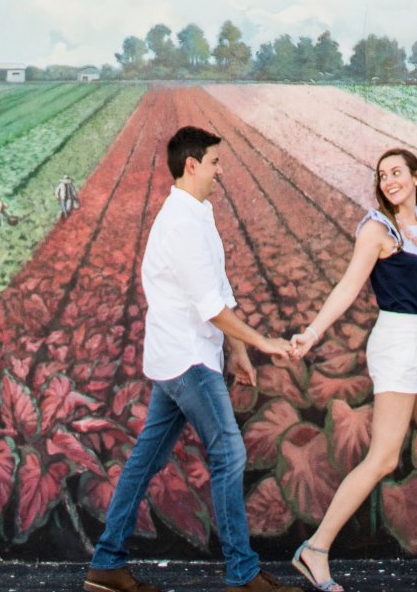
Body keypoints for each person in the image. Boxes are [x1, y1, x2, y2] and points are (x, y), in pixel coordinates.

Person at [84, 126, 301, 592]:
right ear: (192, 165)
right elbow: (210, 307)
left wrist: (237, 349)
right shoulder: (180, 223)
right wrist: (263, 342)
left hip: (180, 357)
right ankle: (243, 574)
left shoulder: (197, 213)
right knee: (229, 454)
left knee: (144, 460)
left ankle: (106, 565)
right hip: (188, 362)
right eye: (216, 162)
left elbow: (216, 286)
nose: (221, 171)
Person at [289, 148, 417, 590]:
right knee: (383, 457)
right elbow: (349, 286)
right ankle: (316, 549)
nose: (389, 181)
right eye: (383, 175)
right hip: (396, 341)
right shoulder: (377, 230)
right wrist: (312, 332)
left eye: (397, 173)